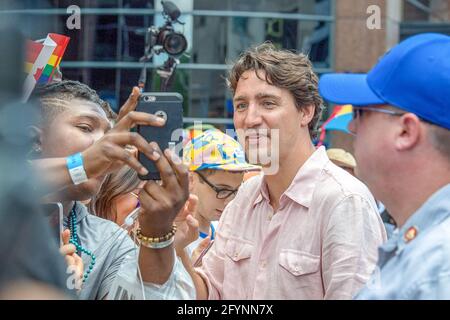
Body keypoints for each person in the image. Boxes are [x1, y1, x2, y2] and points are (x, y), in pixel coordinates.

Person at [138, 42, 387, 300]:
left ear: (306, 111)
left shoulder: (345, 202)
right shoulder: (245, 196)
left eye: (268, 103)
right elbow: (211, 293)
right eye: (241, 105)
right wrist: (175, 248)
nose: (250, 119)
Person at [29, 80, 194, 299]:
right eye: (86, 127)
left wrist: (158, 233)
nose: (104, 144)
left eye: (109, 135)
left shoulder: (109, 241)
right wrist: (81, 166)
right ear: (34, 138)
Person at [319, 33, 450, 299]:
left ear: (406, 131)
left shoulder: (437, 270)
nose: (353, 126)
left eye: (360, 113)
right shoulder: (427, 250)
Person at [182, 129, 260, 258]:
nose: (230, 201)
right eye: (222, 190)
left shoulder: (227, 230)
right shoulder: (167, 237)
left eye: (236, 191)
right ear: (190, 180)